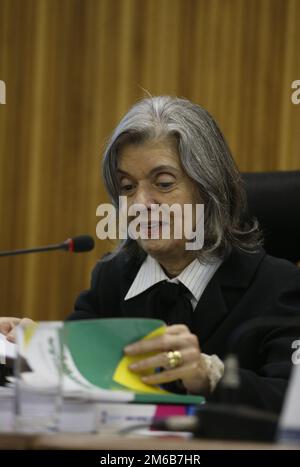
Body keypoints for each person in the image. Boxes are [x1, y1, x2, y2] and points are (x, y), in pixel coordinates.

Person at [1, 96, 300, 413]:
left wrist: (212, 375)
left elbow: (292, 399)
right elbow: (77, 368)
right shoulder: (112, 278)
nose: (141, 204)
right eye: (127, 187)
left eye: (164, 183)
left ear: (210, 189)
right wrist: (29, 348)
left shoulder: (280, 287)